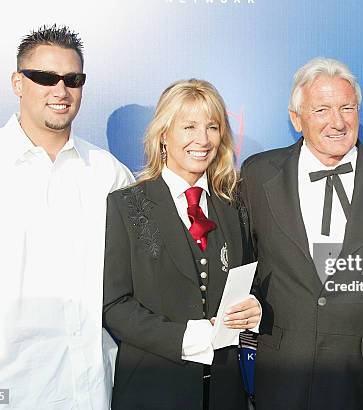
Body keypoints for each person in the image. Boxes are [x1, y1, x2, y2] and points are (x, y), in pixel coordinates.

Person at [0, 25, 133, 409]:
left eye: (73, 79)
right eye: (45, 77)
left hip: (89, 393)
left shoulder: (109, 175)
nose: (60, 90)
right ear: (18, 83)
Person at [240, 58, 363, 410]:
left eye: (347, 107)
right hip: (282, 377)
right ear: (296, 118)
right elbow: (243, 265)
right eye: (321, 110)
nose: (338, 121)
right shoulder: (258, 175)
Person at [103, 79, 261, 410]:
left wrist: (255, 308)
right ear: (163, 134)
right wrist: (188, 338)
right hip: (152, 393)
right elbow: (114, 306)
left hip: (225, 394)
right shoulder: (126, 206)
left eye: (212, 127)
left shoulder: (234, 206)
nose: (202, 140)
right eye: (189, 126)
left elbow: (252, 283)